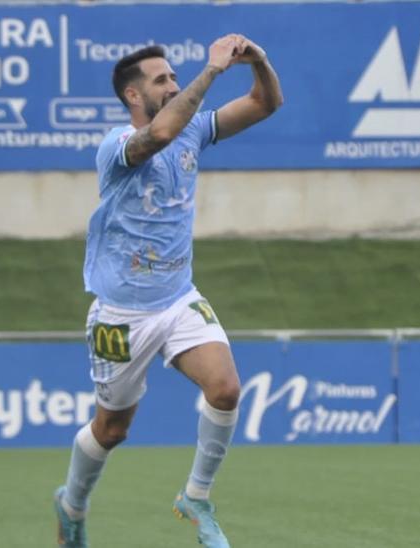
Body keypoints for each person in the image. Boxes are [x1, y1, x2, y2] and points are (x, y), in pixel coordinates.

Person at [53, 35, 282, 548]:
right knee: (111, 430)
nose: (174, 84)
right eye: (162, 80)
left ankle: (196, 497)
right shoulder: (116, 146)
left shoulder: (195, 130)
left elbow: (267, 103)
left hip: (177, 298)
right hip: (121, 313)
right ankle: (72, 503)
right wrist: (212, 73)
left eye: (175, 76)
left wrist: (259, 62)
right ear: (133, 95)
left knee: (225, 388)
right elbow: (157, 134)